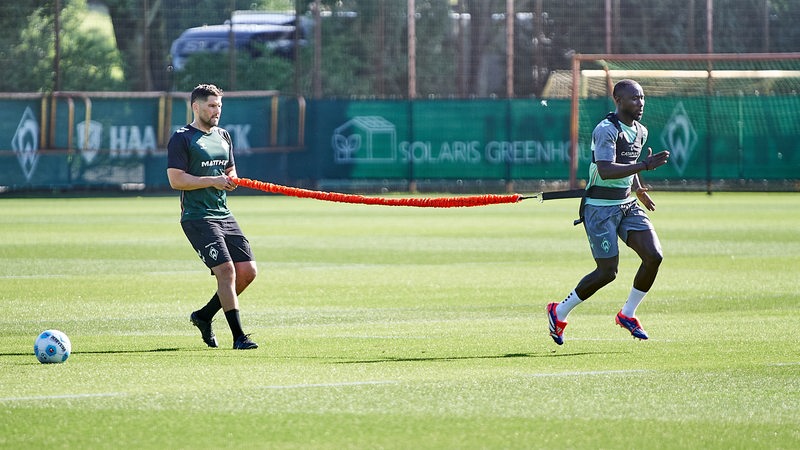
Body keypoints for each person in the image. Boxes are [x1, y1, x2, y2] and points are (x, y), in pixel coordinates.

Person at [547, 79, 670, 345]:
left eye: (642, 98)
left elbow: (629, 165)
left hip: (626, 205)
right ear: (618, 100)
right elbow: (606, 169)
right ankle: (558, 312)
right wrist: (645, 166)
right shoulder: (606, 130)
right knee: (607, 272)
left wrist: (638, 189)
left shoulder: (641, 131)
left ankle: (628, 314)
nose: (640, 103)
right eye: (634, 98)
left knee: (654, 256)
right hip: (600, 209)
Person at [167, 83, 259, 350]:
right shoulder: (182, 138)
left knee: (248, 272)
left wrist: (231, 180)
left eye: (219, 105)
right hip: (197, 217)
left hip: (224, 213)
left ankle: (204, 316)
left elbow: (230, 171)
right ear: (196, 107)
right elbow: (176, 180)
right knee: (227, 271)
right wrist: (212, 180)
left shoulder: (224, 136)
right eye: (211, 105)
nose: (216, 110)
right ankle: (239, 337)